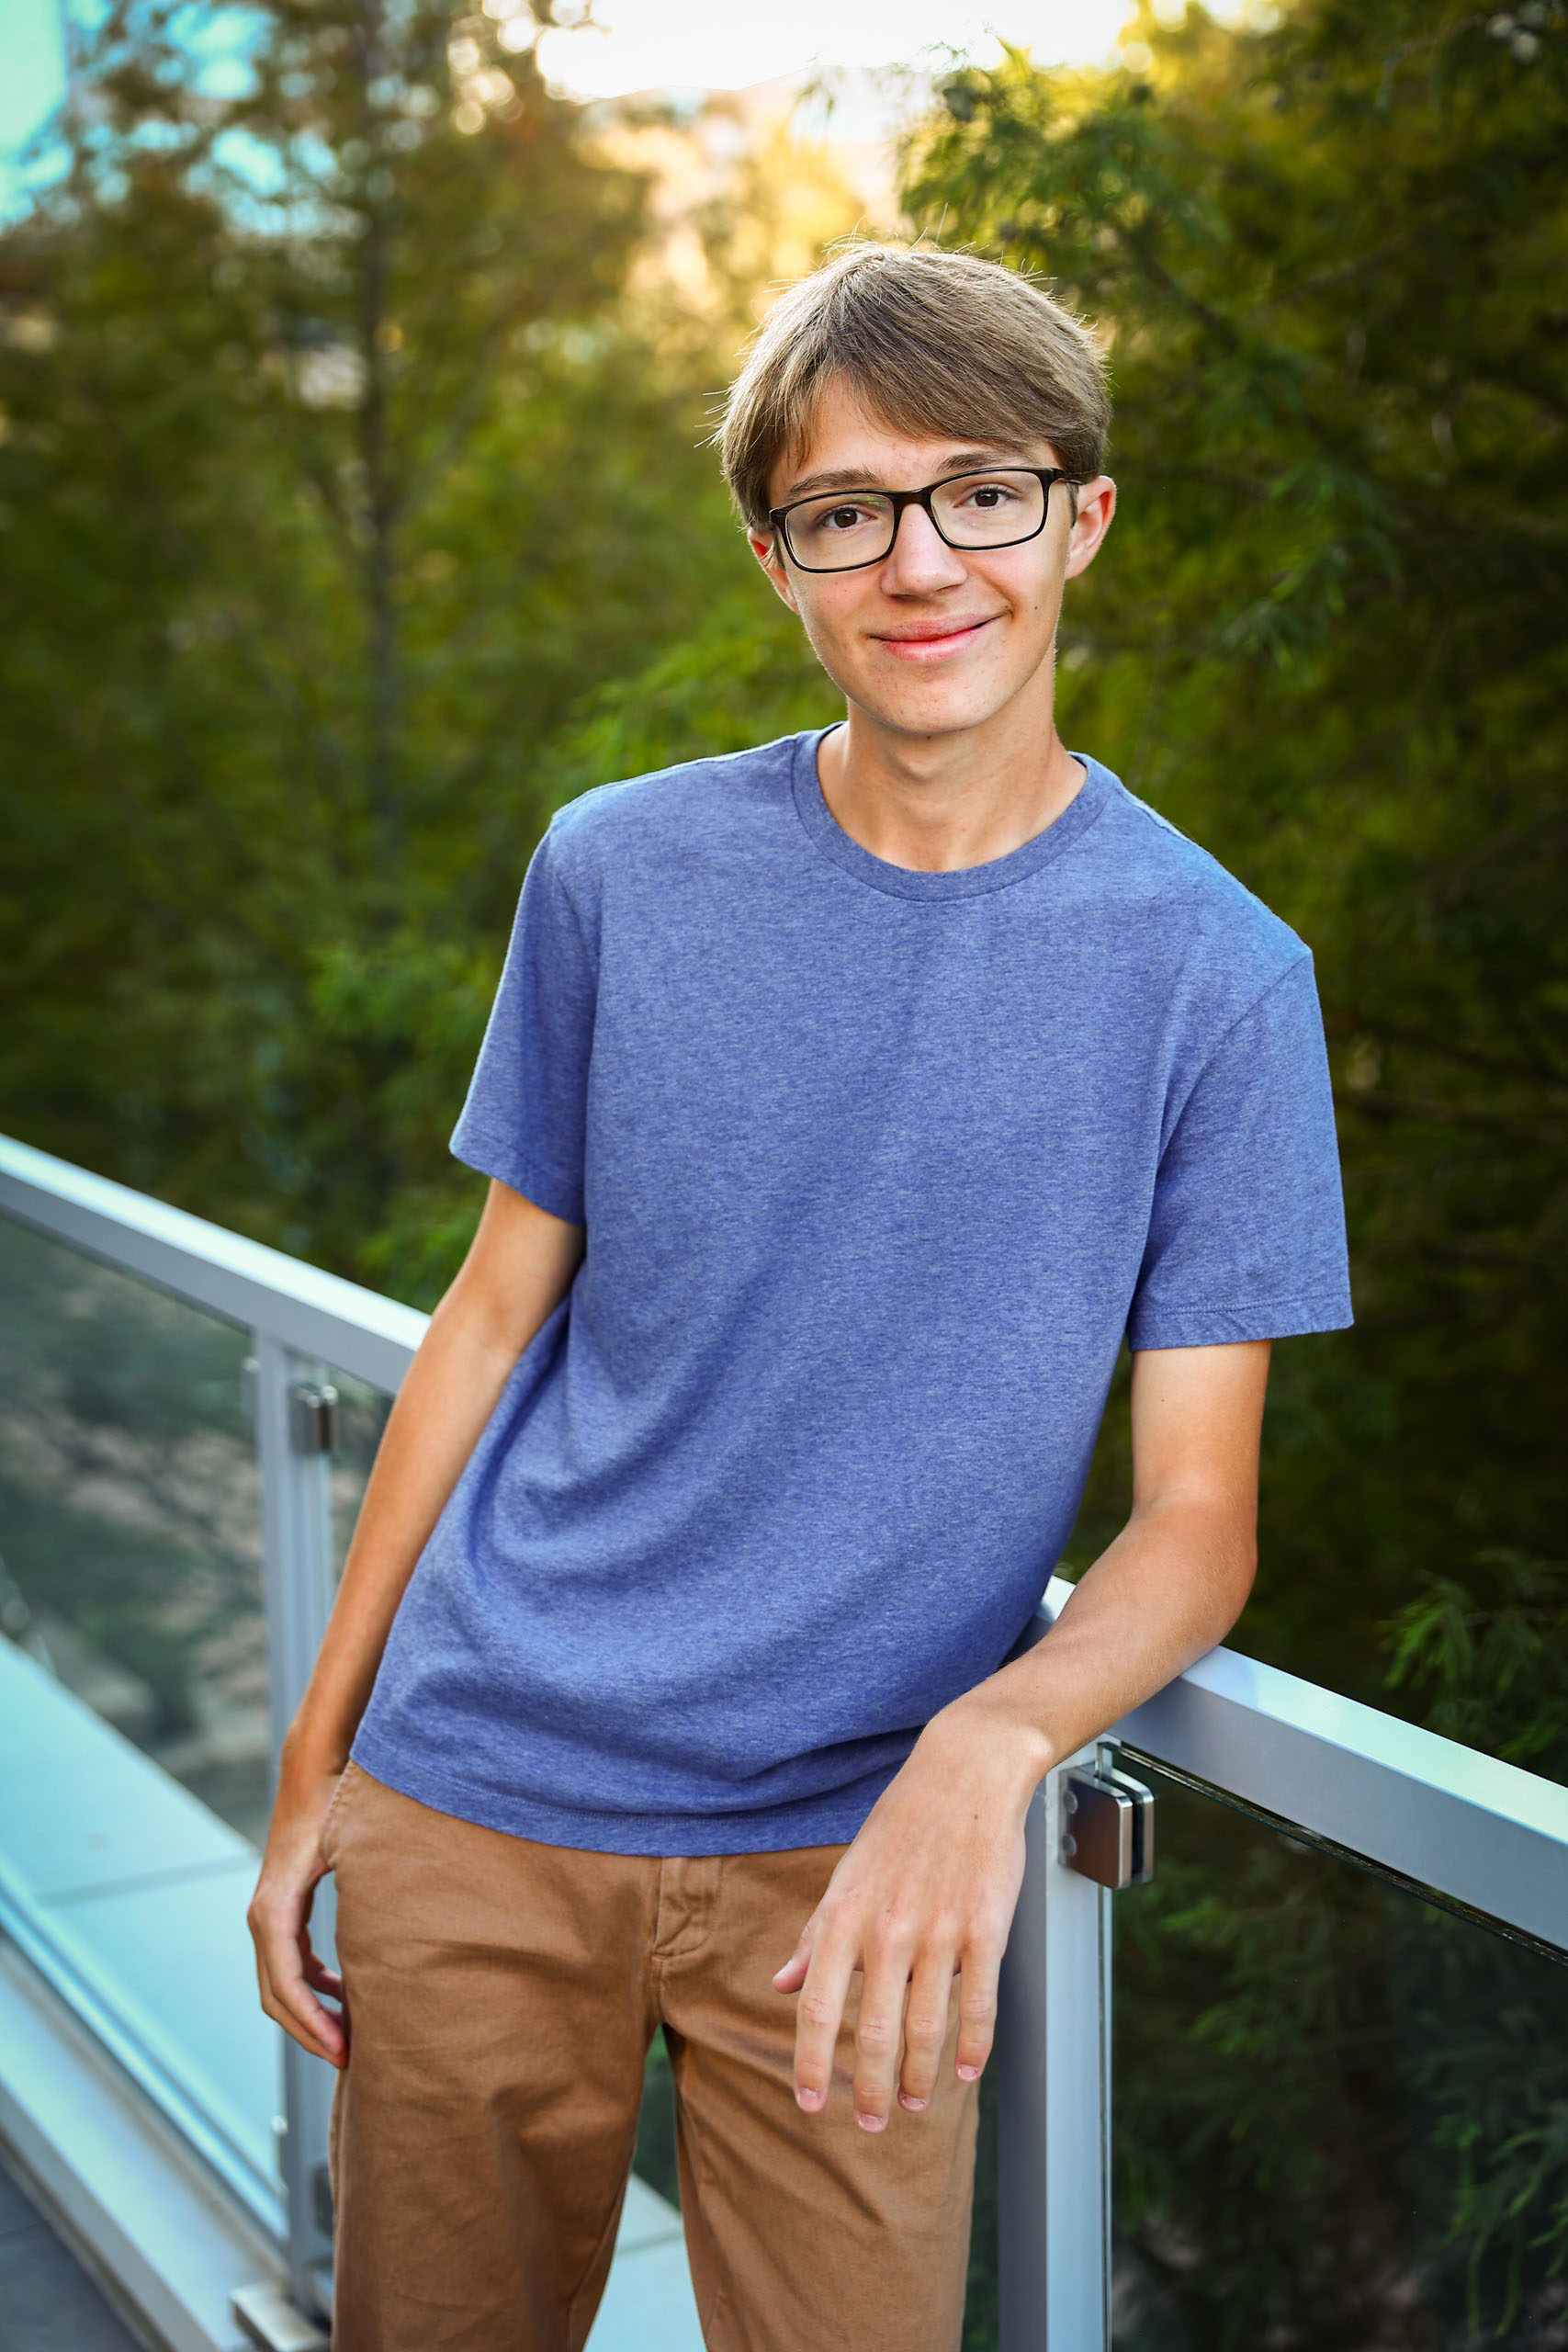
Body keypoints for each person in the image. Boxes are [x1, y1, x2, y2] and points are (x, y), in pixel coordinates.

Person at [247, 241, 1351, 2352]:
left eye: (979, 491)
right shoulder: (613, 868)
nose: (920, 560)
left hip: (862, 1865)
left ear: (1078, 516)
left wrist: (990, 1739)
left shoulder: (1218, 973)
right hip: (477, 1789)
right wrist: (321, 1766)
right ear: (779, 556)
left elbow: (1194, 1516)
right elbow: (483, 1328)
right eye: (847, 510)